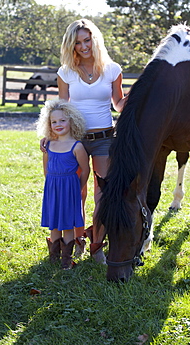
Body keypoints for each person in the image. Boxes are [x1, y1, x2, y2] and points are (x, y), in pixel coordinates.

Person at [40, 19, 126, 263]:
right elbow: (62, 107)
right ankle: (76, 240)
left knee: (103, 192)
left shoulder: (112, 69)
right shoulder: (65, 72)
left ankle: (97, 245)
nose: (83, 46)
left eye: (87, 40)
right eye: (77, 42)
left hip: (104, 139)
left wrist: (131, 100)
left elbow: (117, 104)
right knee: (76, 191)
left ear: (95, 39)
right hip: (74, 140)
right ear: (72, 45)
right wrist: (50, 134)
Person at [37, 99, 90, 269]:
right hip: (53, 189)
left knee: (67, 224)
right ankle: (53, 258)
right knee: (54, 223)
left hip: (70, 189)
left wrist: (77, 188)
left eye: (62, 120)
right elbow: (46, 169)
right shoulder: (49, 145)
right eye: (54, 122)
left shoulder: (77, 146)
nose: (58, 124)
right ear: (49, 124)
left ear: (71, 121)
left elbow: (85, 169)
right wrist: (52, 185)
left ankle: (66, 261)